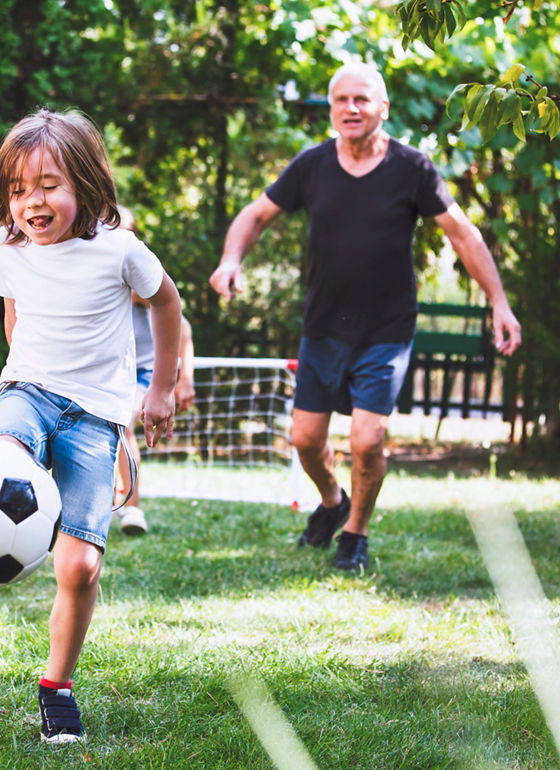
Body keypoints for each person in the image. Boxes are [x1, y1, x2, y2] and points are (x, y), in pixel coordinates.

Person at [209, 62, 522, 571]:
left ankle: (355, 532)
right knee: (305, 440)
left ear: (383, 108)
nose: (351, 109)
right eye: (341, 101)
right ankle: (332, 502)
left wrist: (499, 303)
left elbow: (462, 234)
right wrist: (231, 260)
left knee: (367, 437)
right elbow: (255, 215)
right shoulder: (312, 166)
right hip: (324, 329)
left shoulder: (411, 168)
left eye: (362, 99)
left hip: (385, 331)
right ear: (331, 109)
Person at [0, 109, 183, 743]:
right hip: (27, 390)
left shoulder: (120, 249)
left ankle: (57, 686)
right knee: (7, 452)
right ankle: (13, 509)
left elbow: (168, 304)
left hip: (97, 416)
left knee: (79, 568)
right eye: (17, 190)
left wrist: (160, 391)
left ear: (86, 185)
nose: (31, 203)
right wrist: (22, 372)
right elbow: (14, 319)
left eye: (47, 186)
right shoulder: (6, 247)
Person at [113, 205, 196, 536]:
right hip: (109, 371)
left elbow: (182, 327)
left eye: (124, 229)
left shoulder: (133, 277)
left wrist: (184, 379)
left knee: (123, 422)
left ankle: (133, 509)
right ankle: (117, 495)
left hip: (143, 371)